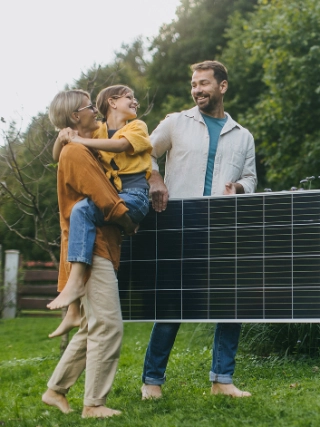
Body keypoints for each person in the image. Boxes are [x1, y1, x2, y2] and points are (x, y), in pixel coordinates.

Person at [141, 60, 257, 400]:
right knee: (173, 303)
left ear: (222, 86)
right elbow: (142, 153)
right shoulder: (176, 123)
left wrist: (238, 188)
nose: (197, 90)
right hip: (180, 223)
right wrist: (156, 176)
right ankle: (152, 382)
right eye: (194, 84)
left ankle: (222, 380)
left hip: (222, 227)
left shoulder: (243, 135)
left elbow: (250, 179)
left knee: (231, 303)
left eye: (204, 83)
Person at [42, 89, 137, 419]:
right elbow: (105, 199)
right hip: (93, 249)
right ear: (74, 117)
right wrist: (129, 222)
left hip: (96, 248)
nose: (95, 111)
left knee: (92, 325)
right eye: (88, 108)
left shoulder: (82, 146)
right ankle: (94, 404)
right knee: (109, 326)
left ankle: (56, 390)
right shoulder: (77, 154)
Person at [47, 85, 152, 338]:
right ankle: (73, 305)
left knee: (80, 210)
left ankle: (74, 286)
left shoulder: (137, 127)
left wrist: (79, 140)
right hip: (115, 197)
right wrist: (62, 138)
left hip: (134, 197)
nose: (135, 102)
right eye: (130, 98)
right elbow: (59, 155)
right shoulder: (100, 129)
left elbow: (119, 146)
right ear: (113, 102)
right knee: (73, 220)